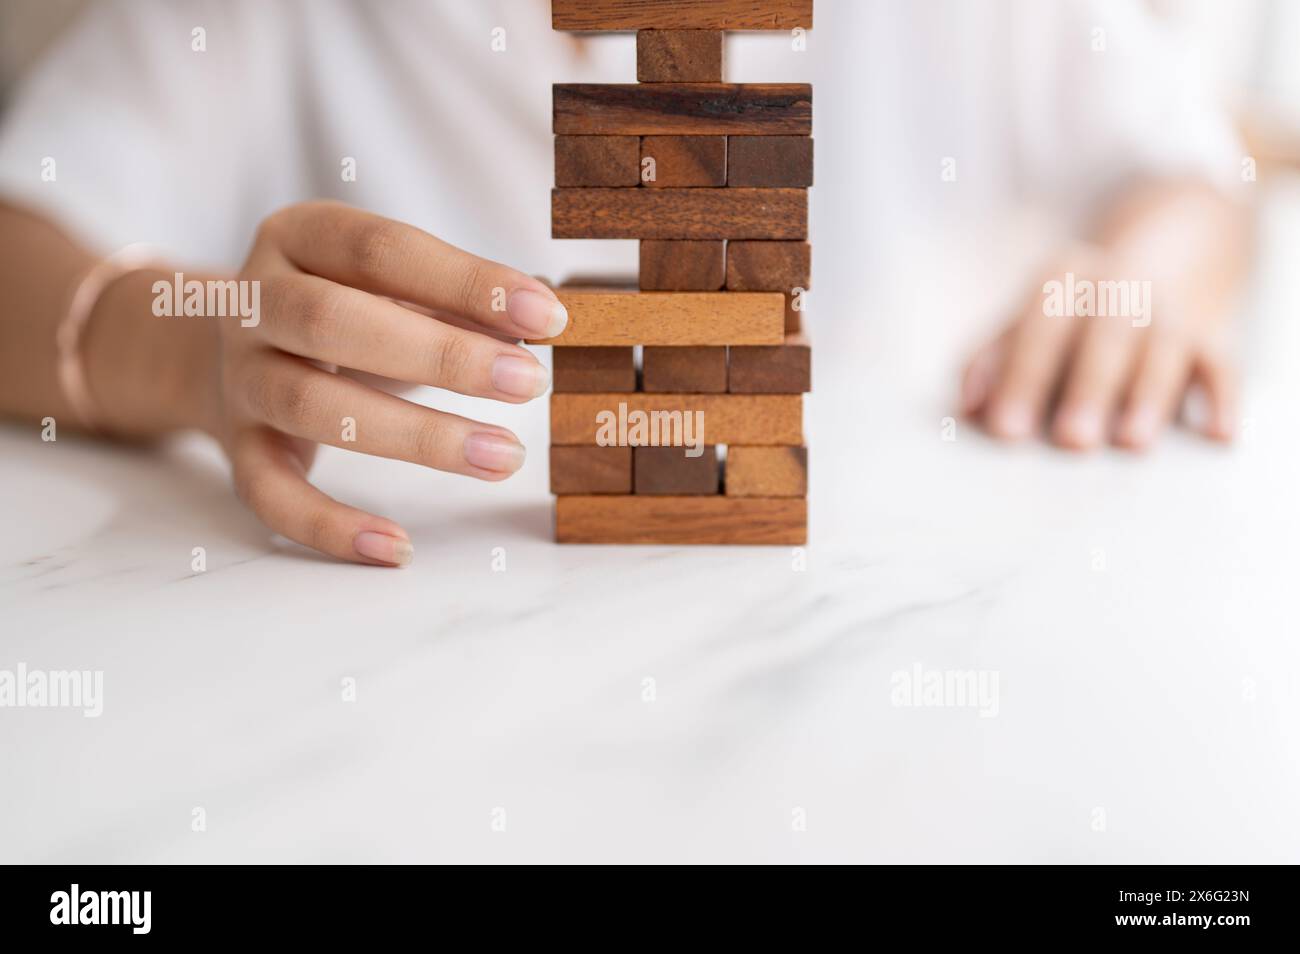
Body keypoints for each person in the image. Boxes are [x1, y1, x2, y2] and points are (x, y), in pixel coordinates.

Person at [0, 0, 1249, 566]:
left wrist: (1137, 280)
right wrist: (194, 349)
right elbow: (23, 229)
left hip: (885, 617)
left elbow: (1192, 176)